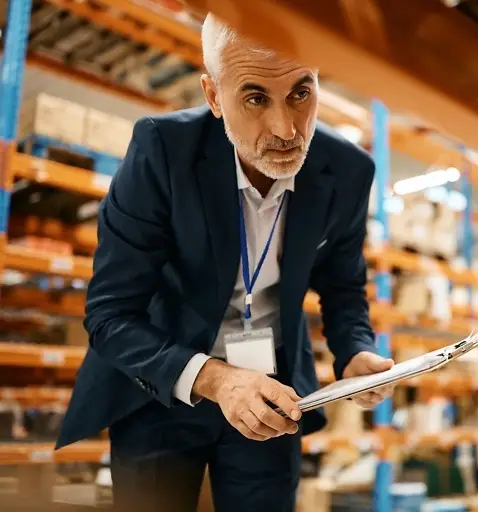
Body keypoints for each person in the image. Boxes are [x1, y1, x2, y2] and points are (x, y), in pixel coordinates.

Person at [55, 14, 395, 512]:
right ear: (214, 96)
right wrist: (217, 379)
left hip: (273, 394)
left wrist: (355, 353)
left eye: (301, 93)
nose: (286, 129)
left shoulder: (347, 170)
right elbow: (109, 316)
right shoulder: (162, 151)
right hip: (163, 388)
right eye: (255, 98)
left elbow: (343, 287)